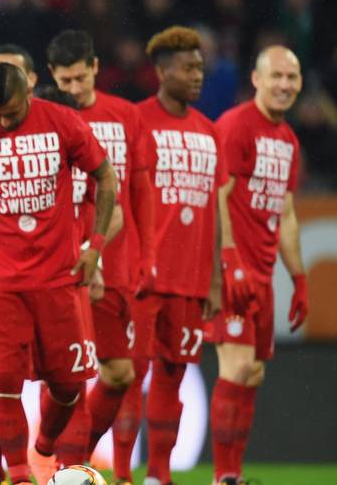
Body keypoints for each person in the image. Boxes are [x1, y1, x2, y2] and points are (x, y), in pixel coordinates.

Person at [0, 62, 118, 485]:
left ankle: (44, 446)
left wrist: (94, 248)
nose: (4, 122)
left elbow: (105, 176)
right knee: (3, 384)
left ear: (30, 91)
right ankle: (21, 476)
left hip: (58, 278)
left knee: (67, 386)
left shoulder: (62, 121)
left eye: (11, 113)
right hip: (1, 283)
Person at [45, 29, 159, 471]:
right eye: (65, 80)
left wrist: (145, 255)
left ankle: (74, 457)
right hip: (57, 270)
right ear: (52, 74)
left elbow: (139, 192)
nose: (73, 88)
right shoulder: (47, 116)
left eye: (80, 78)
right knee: (61, 372)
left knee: (119, 374)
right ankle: (57, 464)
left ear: (95, 68)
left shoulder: (126, 116)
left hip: (115, 262)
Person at [209, 45, 309, 485]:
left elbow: (285, 213)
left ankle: (233, 473)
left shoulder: (287, 139)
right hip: (232, 269)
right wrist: (228, 260)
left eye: (292, 77)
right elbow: (218, 196)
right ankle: (224, 476)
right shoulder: (235, 126)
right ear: (256, 79)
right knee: (236, 366)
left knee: (253, 372)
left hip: (263, 275)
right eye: (277, 76)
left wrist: (300, 277)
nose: (285, 85)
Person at [134, 26, 225, 485]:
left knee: (173, 374)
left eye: (200, 69)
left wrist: (213, 279)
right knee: (127, 377)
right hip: (144, 278)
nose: (197, 76)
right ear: (162, 72)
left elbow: (214, 209)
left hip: (189, 280)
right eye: (188, 68)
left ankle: (158, 475)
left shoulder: (210, 131)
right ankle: (113, 468)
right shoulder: (137, 122)